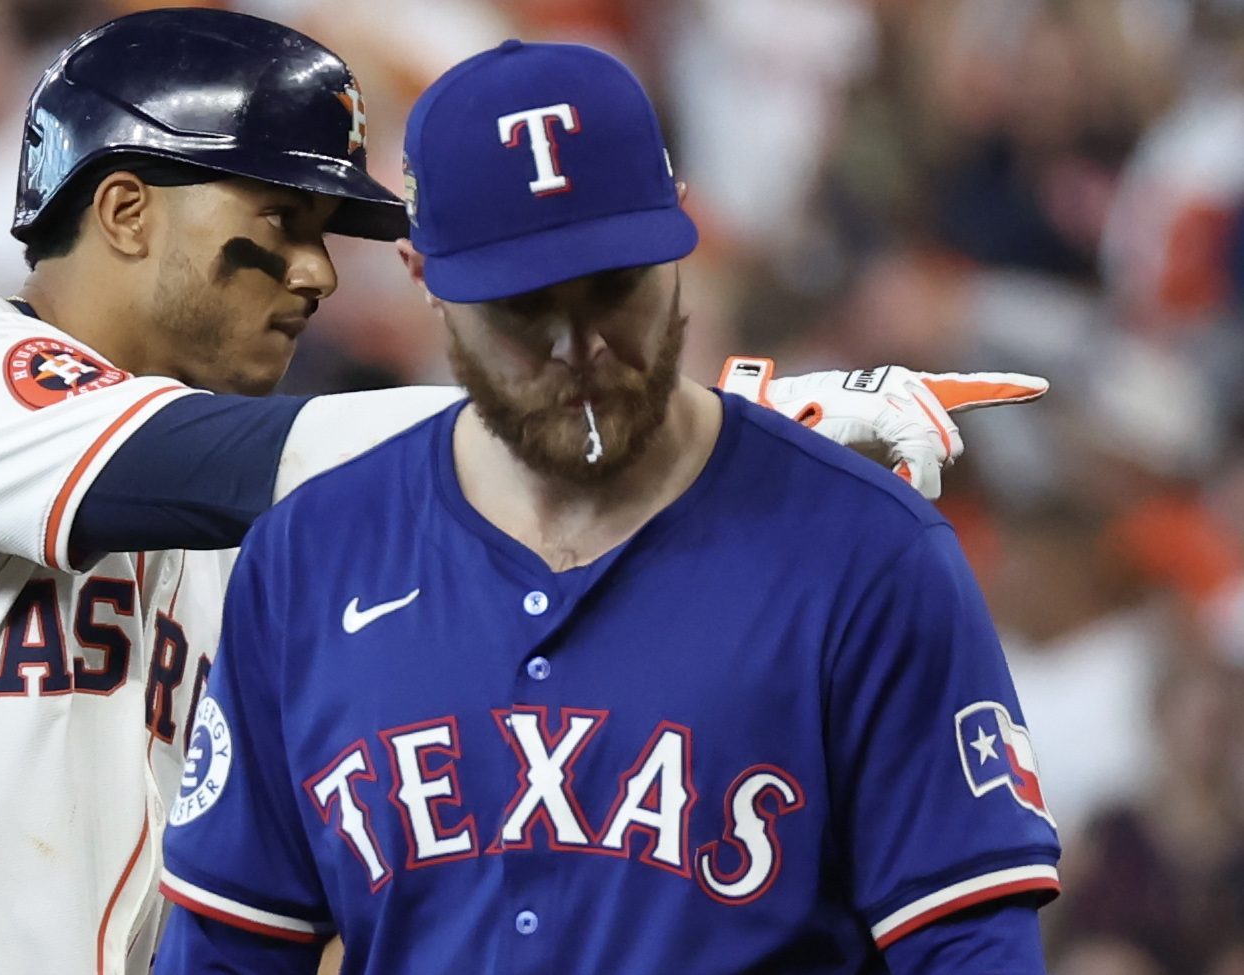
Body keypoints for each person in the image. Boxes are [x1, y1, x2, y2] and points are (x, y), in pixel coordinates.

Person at [0, 10, 1040, 975]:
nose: (319, 274)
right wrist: (686, 420)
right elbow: (224, 466)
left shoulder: (263, 554)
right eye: (277, 227)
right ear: (128, 207)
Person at [153, 39, 1061, 975]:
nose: (577, 343)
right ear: (423, 275)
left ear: (681, 237)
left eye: (614, 287)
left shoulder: (869, 556)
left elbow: (971, 948)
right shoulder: (311, 557)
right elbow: (226, 948)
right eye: (522, 306)